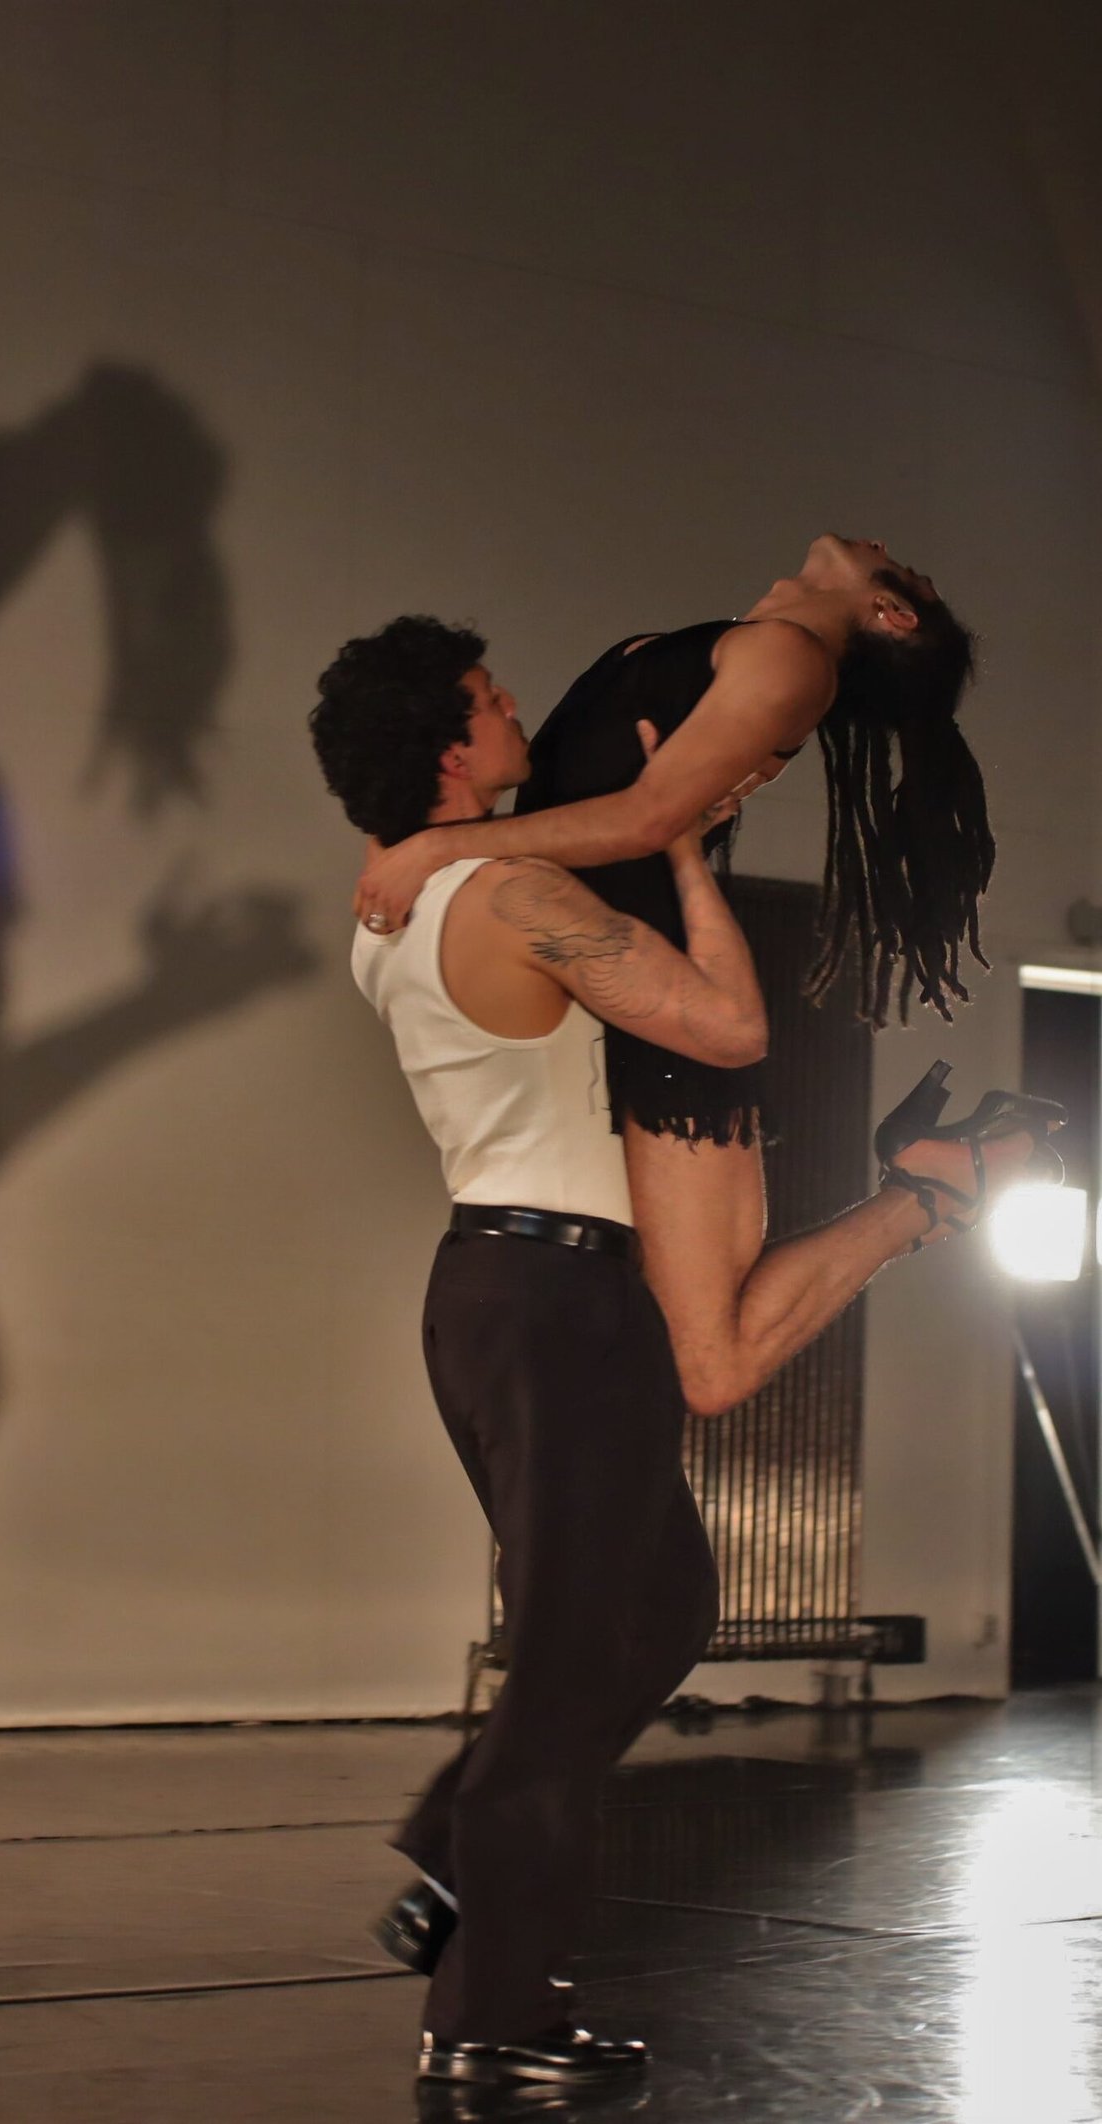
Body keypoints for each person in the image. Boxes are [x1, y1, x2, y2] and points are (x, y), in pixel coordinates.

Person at [309, 615, 1058, 2095]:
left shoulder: (397, 907)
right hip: (563, 1304)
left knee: (663, 1612)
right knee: (571, 1664)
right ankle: (493, 2021)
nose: (515, 709)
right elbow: (722, 1027)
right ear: (450, 750)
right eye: (489, 698)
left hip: (499, 1290)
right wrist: (692, 867)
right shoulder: (511, 891)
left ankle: (453, 1855)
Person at [352, 537, 1018, 1418]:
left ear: (891, 613)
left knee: (710, 1367)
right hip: (609, 999)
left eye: (912, 575)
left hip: (669, 1027)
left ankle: (934, 1193)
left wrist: (439, 846)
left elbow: (647, 818)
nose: (888, 548)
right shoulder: (741, 646)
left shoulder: (792, 660)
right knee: (661, 1342)